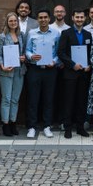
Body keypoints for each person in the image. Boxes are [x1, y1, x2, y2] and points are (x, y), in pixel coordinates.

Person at [56, 8, 92, 138]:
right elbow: (61, 52)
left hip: (84, 73)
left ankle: (80, 127)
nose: (79, 20)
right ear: (72, 18)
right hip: (70, 73)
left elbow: (91, 53)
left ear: (84, 19)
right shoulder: (66, 33)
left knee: (82, 101)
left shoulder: (88, 35)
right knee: (68, 100)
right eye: (77, 17)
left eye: (82, 17)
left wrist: (90, 65)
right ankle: (68, 128)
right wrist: (72, 65)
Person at [25, 8, 60, 138]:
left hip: (50, 70)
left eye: (45, 17)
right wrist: (31, 56)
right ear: (37, 19)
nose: (43, 20)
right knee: (33, 99)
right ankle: (32, 126)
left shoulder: (56, 33)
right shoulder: (32, 33)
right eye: (40, 17)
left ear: (49, 19)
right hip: (34, 70)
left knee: (48, 99)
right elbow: (27, 50)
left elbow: (58, 53)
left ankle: (47, 126)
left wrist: (54, 61)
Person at [0, 12, 27, 137]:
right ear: (7, 22)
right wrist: (2, 65)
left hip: (19, 71)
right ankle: (5, 124)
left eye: (15, 21)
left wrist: (23, 58)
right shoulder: (3, 36)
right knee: (6, 99)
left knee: (15, 99)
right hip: (6, 71)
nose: (13, 23)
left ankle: (13, 122)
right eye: (11, 21)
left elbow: (24, 51)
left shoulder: (21, 36)